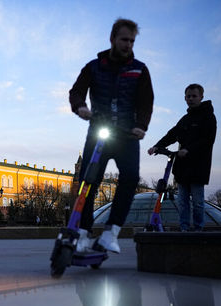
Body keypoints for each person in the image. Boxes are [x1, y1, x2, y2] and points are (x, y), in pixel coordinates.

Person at [69, 18, 154, 253]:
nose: (128, 44)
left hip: (127, 135)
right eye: (124, 39)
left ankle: (111, 232)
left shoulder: (139, 69)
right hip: (99, 133)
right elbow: (76, 91)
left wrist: (141, 125)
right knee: (88, 182)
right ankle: (83, 233)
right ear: (112, 39)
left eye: (132, 41)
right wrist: (80, 107)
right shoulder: (94, 67)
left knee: (129, 179)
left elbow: (146, 101)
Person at [148, 84, 217, 231]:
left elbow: (207, 140)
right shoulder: (185, 119)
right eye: (188, 96)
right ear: (185, 98)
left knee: (198, 202)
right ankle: (184, 229)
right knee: (182, 202)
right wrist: (157, 146)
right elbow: (172, 134)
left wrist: (188, 150)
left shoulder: (208, 117)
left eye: (194, 96)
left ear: (201, 97)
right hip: (182, 167)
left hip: (198, 167)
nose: (191, 99)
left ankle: (199, 229)